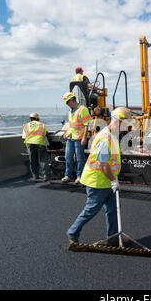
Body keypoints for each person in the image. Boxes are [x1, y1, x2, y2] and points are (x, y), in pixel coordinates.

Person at [67, 107, 132, 245]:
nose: (126, 128)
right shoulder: (104, 137)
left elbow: (110, 161)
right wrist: (114, 180)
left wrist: (113, 178)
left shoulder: (113, 135)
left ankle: (113, 239)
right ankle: (72, 233)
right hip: (97, 181)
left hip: (107, 181)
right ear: (118, 122)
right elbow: (102, 164)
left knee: (113, 210)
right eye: (125, 124)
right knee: (91, 209)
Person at [61, 92, 93, 184]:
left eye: (67, 102)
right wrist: (66, 132)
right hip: (70, 137)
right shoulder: (70, 111)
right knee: (68, 157)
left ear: (72, 100)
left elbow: (86, 125)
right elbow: (71, 124)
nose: (67, 105)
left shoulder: (83, 109)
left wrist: (84, 138)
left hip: (79, 138)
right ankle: (67, 175)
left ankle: (80, 176)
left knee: (79, 158)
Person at [22, 112, 51, 182]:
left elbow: (23, 137)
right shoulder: (42, 125)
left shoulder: (26, 126)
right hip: (40, 143)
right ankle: (46, 175)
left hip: (30, 144)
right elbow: (44, 135)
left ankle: (35, 175)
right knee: (43, 159)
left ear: (30, 119)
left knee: (33, 160)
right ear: (38, 118)